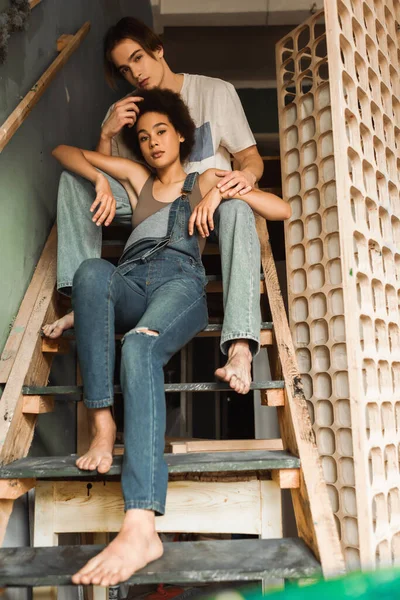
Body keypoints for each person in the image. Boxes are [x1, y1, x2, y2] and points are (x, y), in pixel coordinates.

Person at [48, 89, 290, 586]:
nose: (153, 142)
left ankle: (140, 524)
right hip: (131, 280)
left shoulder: (201, 178)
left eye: (162, 132)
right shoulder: (136, 179)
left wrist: (222, 192)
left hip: (179, 285)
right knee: (92, 271)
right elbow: (61, 153)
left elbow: (279, 209)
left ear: (181, 135)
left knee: (137, 346)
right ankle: (102, 423)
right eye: (144, 136)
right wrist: (101, 167)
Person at [44, 16, 266, 395]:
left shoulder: (215, 92)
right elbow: (102, 172)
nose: (135, 74)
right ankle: (80, 298)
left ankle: (241, 346)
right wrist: (106, 133)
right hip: (149, 205)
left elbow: (251, 159)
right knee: (74, 182)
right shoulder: (126, 111)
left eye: (139, 59)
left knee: (239, 209)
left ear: (158, 49)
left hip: (209, 202)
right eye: (125, 69)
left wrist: (241, 180)